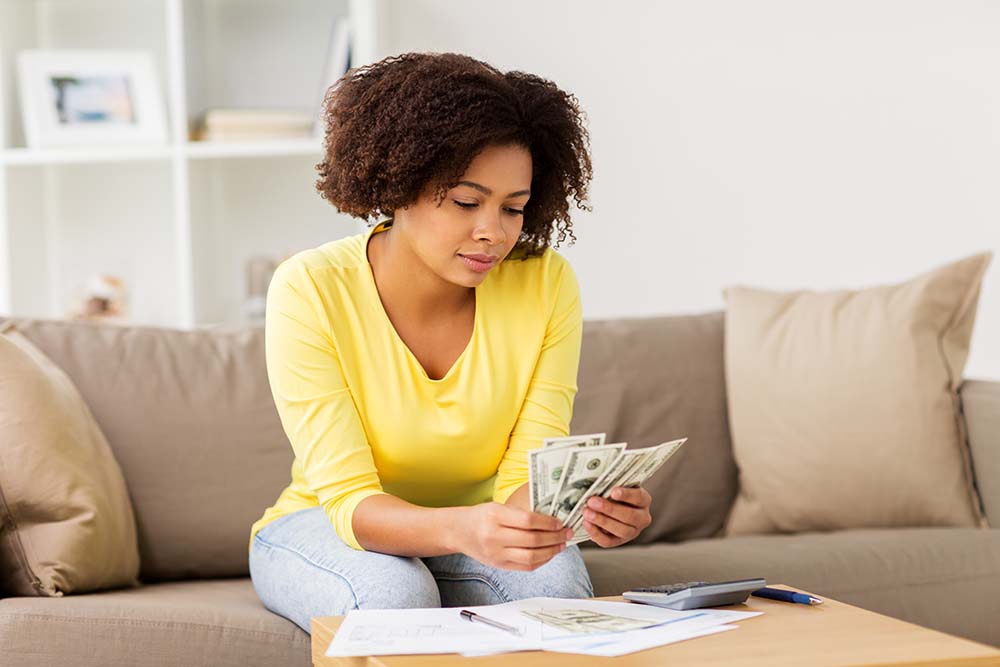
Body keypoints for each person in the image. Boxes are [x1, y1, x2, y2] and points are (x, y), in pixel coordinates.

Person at [248, 51, 653, 634]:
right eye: (467, 202)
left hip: (477, 530)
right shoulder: (310, 288)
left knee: (554, 583)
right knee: (395, 590)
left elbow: (525, 480)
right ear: (401, 183)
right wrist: (464, 527)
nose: (493, 232)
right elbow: (348, 502)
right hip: (326, 526)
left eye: (513, 209)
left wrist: (582, 513)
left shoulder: (545, 283)